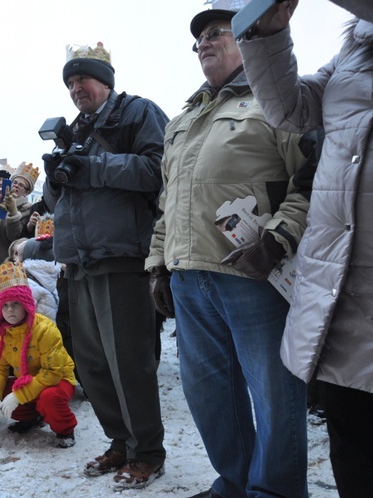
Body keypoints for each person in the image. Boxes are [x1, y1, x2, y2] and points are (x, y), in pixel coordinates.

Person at [146, 9, 315, 498]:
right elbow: (167, 203)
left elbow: (313, 178)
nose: (203, 43)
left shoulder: (278, 100)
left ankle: (276, 491)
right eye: (198, 38)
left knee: (273, 393)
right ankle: (236, 483)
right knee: (209, 394)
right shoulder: (182, 120)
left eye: (215, 33)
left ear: (246, 40)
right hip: (188, 277)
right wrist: (158, 265)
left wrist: (277, 240)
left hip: (254, 274)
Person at [238, 2, 373, 496]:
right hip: (343, 290)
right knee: (353, 446)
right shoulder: (352, 54)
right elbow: (290, 108)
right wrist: (269, 31)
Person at [42, 42, 168, 489]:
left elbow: (158, 170)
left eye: (83, 80)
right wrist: (55, 175)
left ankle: (147, 451)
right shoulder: (74, 130)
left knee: (129, 362)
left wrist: (92, 167)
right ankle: (122, 441)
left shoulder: (137, 112)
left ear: (105, 82)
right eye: (70, 83)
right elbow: (55, 202)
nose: (77, 89)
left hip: (122, 257)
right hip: (79, 262)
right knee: (92, 365)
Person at [0, 261, 77, 448]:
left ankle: (65, 429)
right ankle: (31, 417)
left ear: (27, 305)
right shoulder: (2, 334)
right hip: (28, 381)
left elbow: (53, 373)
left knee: (49, 398)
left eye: (16, 304)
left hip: (58, 381)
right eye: (5, 306)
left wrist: (18, 396)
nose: (10, 310)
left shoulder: (45, 329)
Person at [0, 162, 36, 269]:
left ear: (26, 192)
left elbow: (14, 236)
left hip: (7, 263)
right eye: (15, 182)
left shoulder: (27, 209)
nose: (16, 185)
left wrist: (13, 212)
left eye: (21, 185)